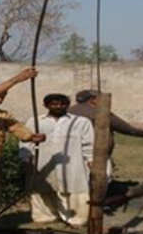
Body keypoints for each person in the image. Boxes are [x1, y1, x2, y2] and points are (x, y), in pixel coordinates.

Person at [0, 68, 46, 225]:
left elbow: (15, 127)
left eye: (3, 96)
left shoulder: (2, 114)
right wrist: (17, 79)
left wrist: (31, 137)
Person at [19, 93, 95, 226]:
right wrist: (25, 159)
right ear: (46, 105)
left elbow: (88, 143)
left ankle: (76, 218)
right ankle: (45, 216)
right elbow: (26, 141)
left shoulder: (81, 122)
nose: (59, 106)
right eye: (54, 104)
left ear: (67, 105)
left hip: (72, 162)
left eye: (62, 104)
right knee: (42, 188)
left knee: (74, 188)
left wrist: (90, 159)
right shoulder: (35, 121)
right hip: (43, 161)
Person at [69, 89, 143, 163]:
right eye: (101, 99)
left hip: (70, 152)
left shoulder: (68, 111)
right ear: (93, 100)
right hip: (95, 155)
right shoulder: (100, 113)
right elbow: (127, 129)